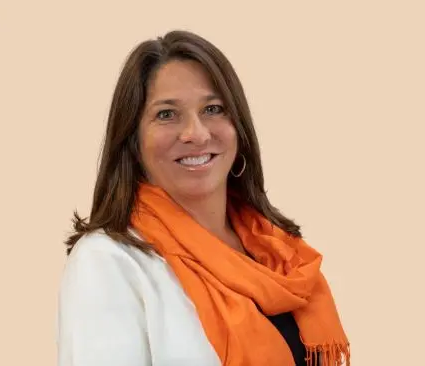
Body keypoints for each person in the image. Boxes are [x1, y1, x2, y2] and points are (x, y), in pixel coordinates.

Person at [57, 30, 350, 366]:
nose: (196, 133)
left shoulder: (278, 251)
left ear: (238, 127)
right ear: (133, 141)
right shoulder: (108, 262)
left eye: (213, 109)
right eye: (167, 114)